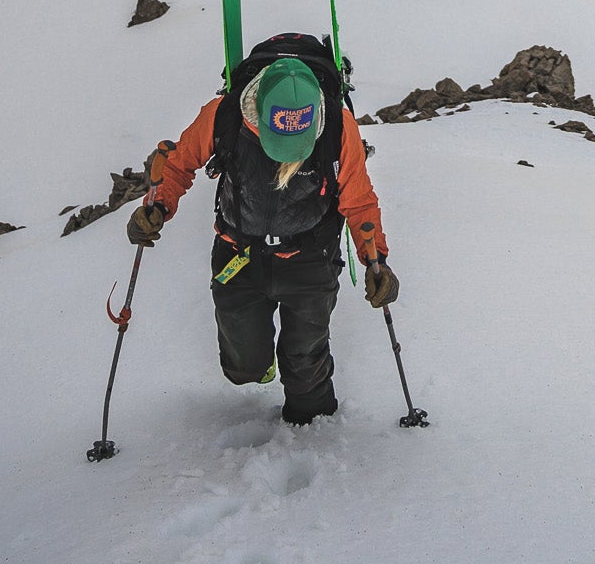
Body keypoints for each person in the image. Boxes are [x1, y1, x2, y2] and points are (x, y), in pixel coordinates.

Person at [127, 34, 397, 426]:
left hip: (310, 257)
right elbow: (179, 163)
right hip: (238, 252)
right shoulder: (225, 113)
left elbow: (358, 200)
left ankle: (315, 432)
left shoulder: (339, 126)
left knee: (307, 363)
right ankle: (257, 367)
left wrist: (378, 260)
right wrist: (159, 205)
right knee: (243, 365)